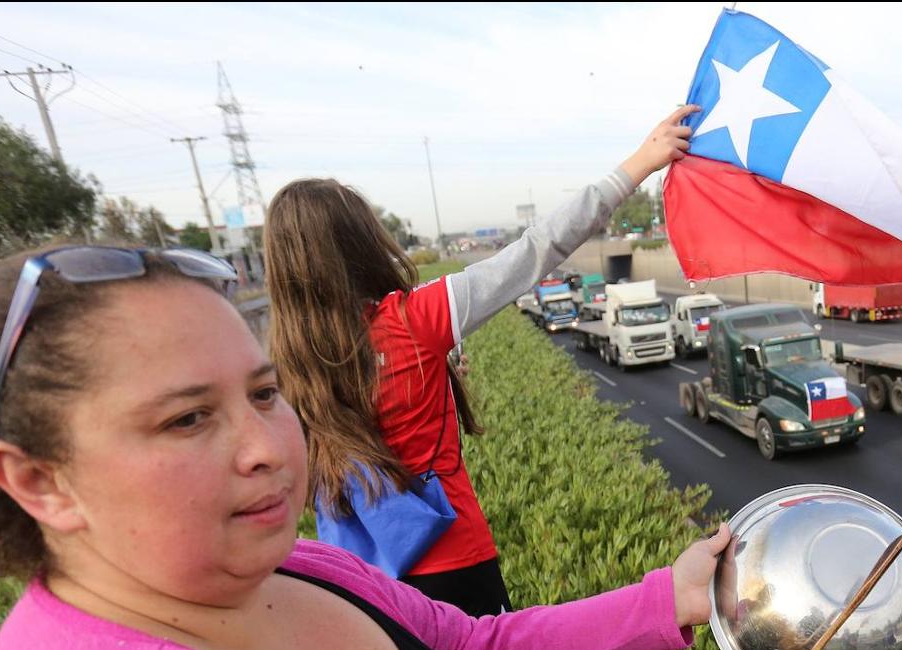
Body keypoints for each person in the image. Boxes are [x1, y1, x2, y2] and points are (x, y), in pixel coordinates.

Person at [0, 245, 820, 650]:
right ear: (38, 481)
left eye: (264, 393)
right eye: (187, 419)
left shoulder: (285, 567)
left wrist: (674, 596)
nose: (268, 446)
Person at [262, 105, 700, 617]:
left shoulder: (283, 364)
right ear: (360, 244)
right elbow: (537, 249)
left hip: (361, 583)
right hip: (453, 562)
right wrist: (640, 163)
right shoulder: (413, 320)